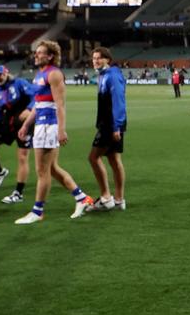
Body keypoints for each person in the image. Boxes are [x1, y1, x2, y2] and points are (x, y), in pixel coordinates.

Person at [13, 40, 96, 224]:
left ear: (50, 56)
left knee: (42, 171)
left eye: (40, 52)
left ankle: (37, 211)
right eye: (36, 52)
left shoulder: (54, 74)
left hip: (49, 126)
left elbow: (60, 105)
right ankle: (82, 199)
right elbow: (38, 104)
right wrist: (26, 124)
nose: (36, 55)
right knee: (52, 169)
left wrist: (61, 130)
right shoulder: (39, 74)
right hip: (41, 124)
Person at [0, 65, 36, 203]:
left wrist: (29, 109)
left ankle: (18, 192)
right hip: (8, 126)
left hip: (25, 124)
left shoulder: (20, 83)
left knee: (22, 157)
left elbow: (35, 96)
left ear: (6, 73)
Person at [87, 47, 127, 212]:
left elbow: (118, 100)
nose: (95, 61)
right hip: (110, 123)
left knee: (93, 158)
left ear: (107, 60)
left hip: (111, 125)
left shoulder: (112, 75)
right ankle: (119, 200)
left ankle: (106, 198)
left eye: (99, 58)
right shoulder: (104, 75)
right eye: (94, 58)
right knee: (113, 160)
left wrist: (116, 126)